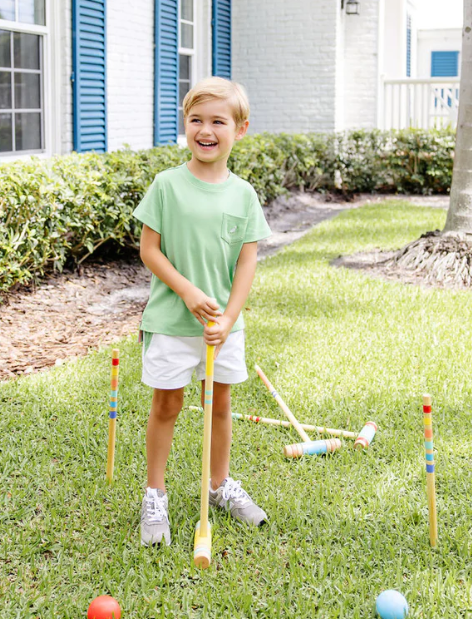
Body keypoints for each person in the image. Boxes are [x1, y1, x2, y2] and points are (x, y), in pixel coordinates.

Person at [133, 77, 272, 547]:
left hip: (222, 328)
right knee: (168, 404)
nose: (206, 130)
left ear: (240, 129)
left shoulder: (244, 195)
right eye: (196, 120)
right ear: (186, 127)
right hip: (172, 322)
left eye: (218, 121)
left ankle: (218, 486)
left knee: (222, 405)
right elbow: (149, 251)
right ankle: (155, 494)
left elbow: (248, 261)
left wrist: (230, 317)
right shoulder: (167, 185)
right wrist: (189, 292)